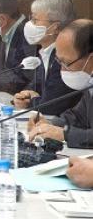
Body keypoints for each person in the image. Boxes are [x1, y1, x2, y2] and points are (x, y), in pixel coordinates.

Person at [27, 19, 93, 148]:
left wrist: (65, 134)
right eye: (59, 62)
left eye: (66, 63)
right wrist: (51, 124)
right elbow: (78, 117)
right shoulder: (89, 80)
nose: (62, 69)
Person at [13, 0, 80, 115]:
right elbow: (35, 86)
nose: (29, 24)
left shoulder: (64, 57)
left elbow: (50, 105)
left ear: (55, 27)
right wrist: (25, 95)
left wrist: (30, 102)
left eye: (35, 20)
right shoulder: (45, 52)